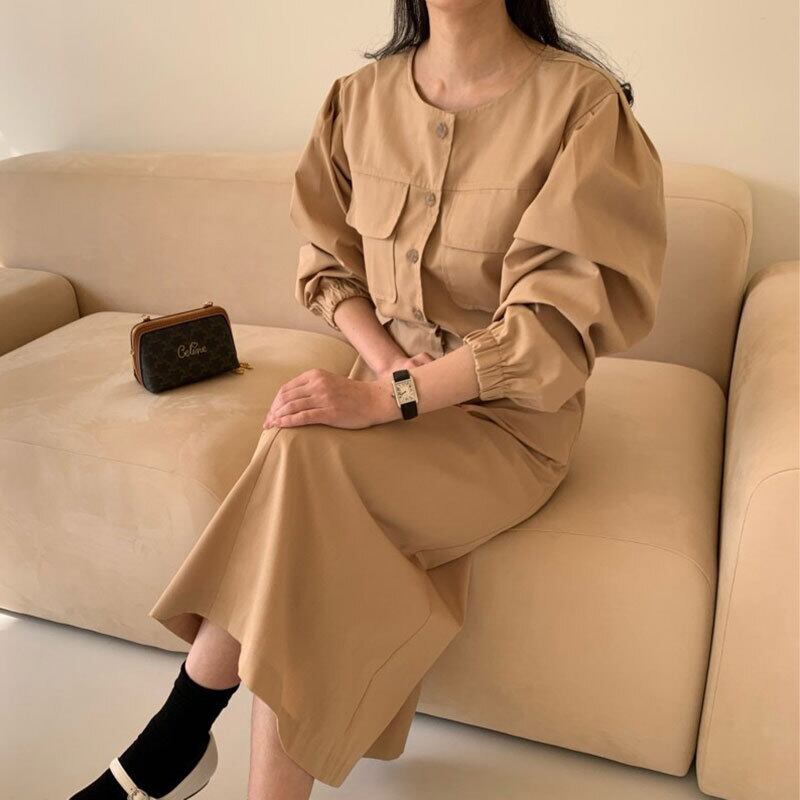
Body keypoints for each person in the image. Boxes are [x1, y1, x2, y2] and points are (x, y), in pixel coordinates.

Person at [69, 1, 667, 798]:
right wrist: (386, 374)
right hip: (387, 384)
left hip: (508, 424)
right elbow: (329, 265)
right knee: (306, 462)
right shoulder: (359, 99)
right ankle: (185, 752)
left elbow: (551, 330)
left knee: (304, 459)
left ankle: (173, 742)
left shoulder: (583, 108)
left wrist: (395, 400)